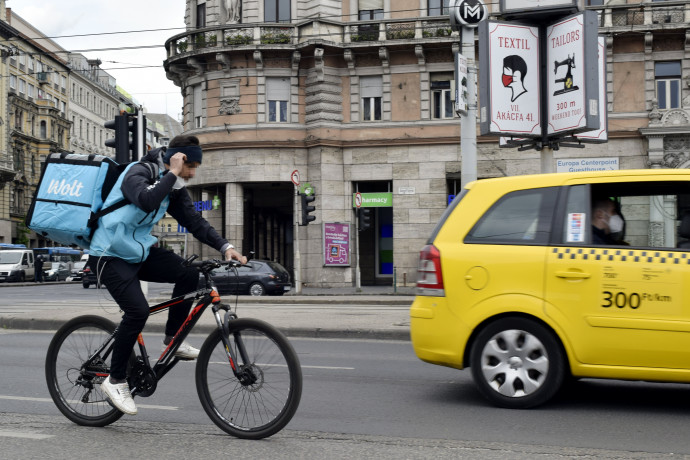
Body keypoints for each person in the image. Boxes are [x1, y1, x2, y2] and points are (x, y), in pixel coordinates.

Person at [89, 134, 246, 416]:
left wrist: (226, 247)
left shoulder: (174, 187)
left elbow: (194, 222)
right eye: (191, 165)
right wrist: (172, 173)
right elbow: (146, 200)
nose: (193, 172)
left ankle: (173, 338)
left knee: (188, 273)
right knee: (137, 312)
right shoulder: (138, 172)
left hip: (137, 252)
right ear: (178, 158)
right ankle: (115, 380)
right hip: (109, 254)